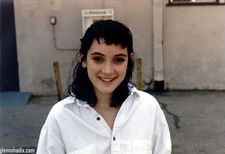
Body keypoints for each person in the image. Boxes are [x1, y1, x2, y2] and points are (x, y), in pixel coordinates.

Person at [37, 20, 171, 154]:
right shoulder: (61, 116)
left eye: (118, 60)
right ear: (83, 60)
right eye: (98, 59)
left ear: (129, 61)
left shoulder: (148, 108)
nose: (108, 71)